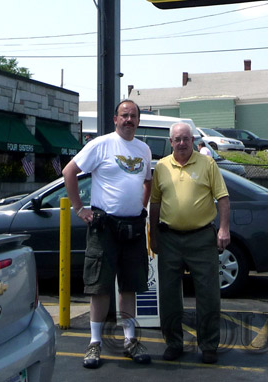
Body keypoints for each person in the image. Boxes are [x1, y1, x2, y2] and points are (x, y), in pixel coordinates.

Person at [63, 100, 152, 369]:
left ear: (138, 120)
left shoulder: (144, 149)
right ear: (115, 119)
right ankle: (94, 343)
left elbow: (147, 180)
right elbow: (69, 171)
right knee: (99, 287)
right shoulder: (101, 144)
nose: (129, 120)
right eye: (124, 115)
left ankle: (130, 341)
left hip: (133, 228)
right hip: (104, 227)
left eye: (133, 116)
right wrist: (79, 208)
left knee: (129, 286)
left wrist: (142, 206)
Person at [149, 121, 230, 365]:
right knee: (169, 296)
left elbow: (223, 198)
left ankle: (209, 346)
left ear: (193, 140)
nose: (182, 143)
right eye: (177, 139)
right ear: (171, 142)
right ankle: (173, 343)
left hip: (202, 237)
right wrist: (153, 235)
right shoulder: (161, 167)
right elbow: (155, 203)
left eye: (186, 138)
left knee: (208, 294)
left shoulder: (208, 164)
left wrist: (224, 228)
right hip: (170, 238)